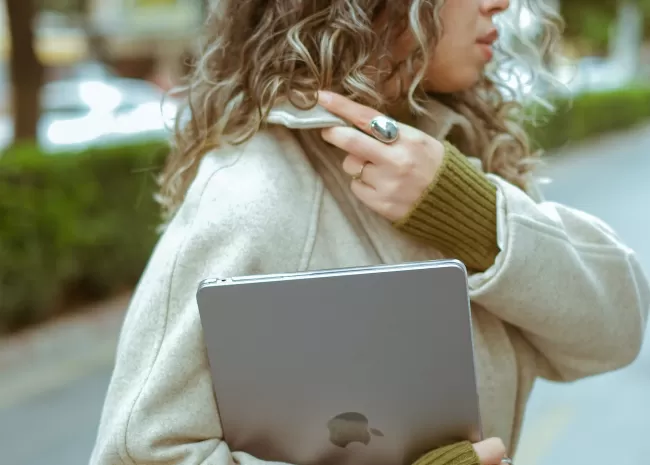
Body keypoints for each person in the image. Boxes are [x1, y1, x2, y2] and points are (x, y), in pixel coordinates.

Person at [90, 0, 650, 464]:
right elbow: (139, 452)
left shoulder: (444, 150)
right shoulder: (254, 194)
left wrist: (474, 216)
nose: (500, 2)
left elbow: (615, 332)